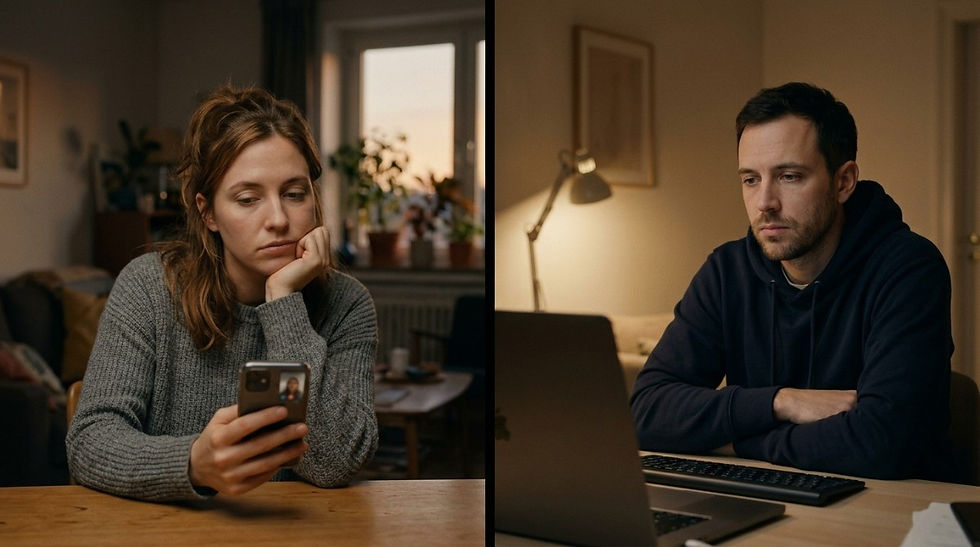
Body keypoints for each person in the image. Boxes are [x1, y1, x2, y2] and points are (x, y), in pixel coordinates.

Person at [630, 82, 961, 482]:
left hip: (892, 509)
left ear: (843, 182)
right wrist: (780, 402)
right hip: (774, 500)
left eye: (788, 176)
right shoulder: (726, 271)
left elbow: (882, 442)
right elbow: (645, 411)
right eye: (751, 179)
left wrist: (739, 444)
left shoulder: (907, 268)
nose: (765, 202)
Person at [66, 85, 379, 501]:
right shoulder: (149, 287)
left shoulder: (347, 304)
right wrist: (193, 463)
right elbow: (88, 442)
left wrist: (283, 301)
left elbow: (338, 461)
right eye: (248, 199)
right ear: (208, 212)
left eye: (294, 194)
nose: (279, 220)